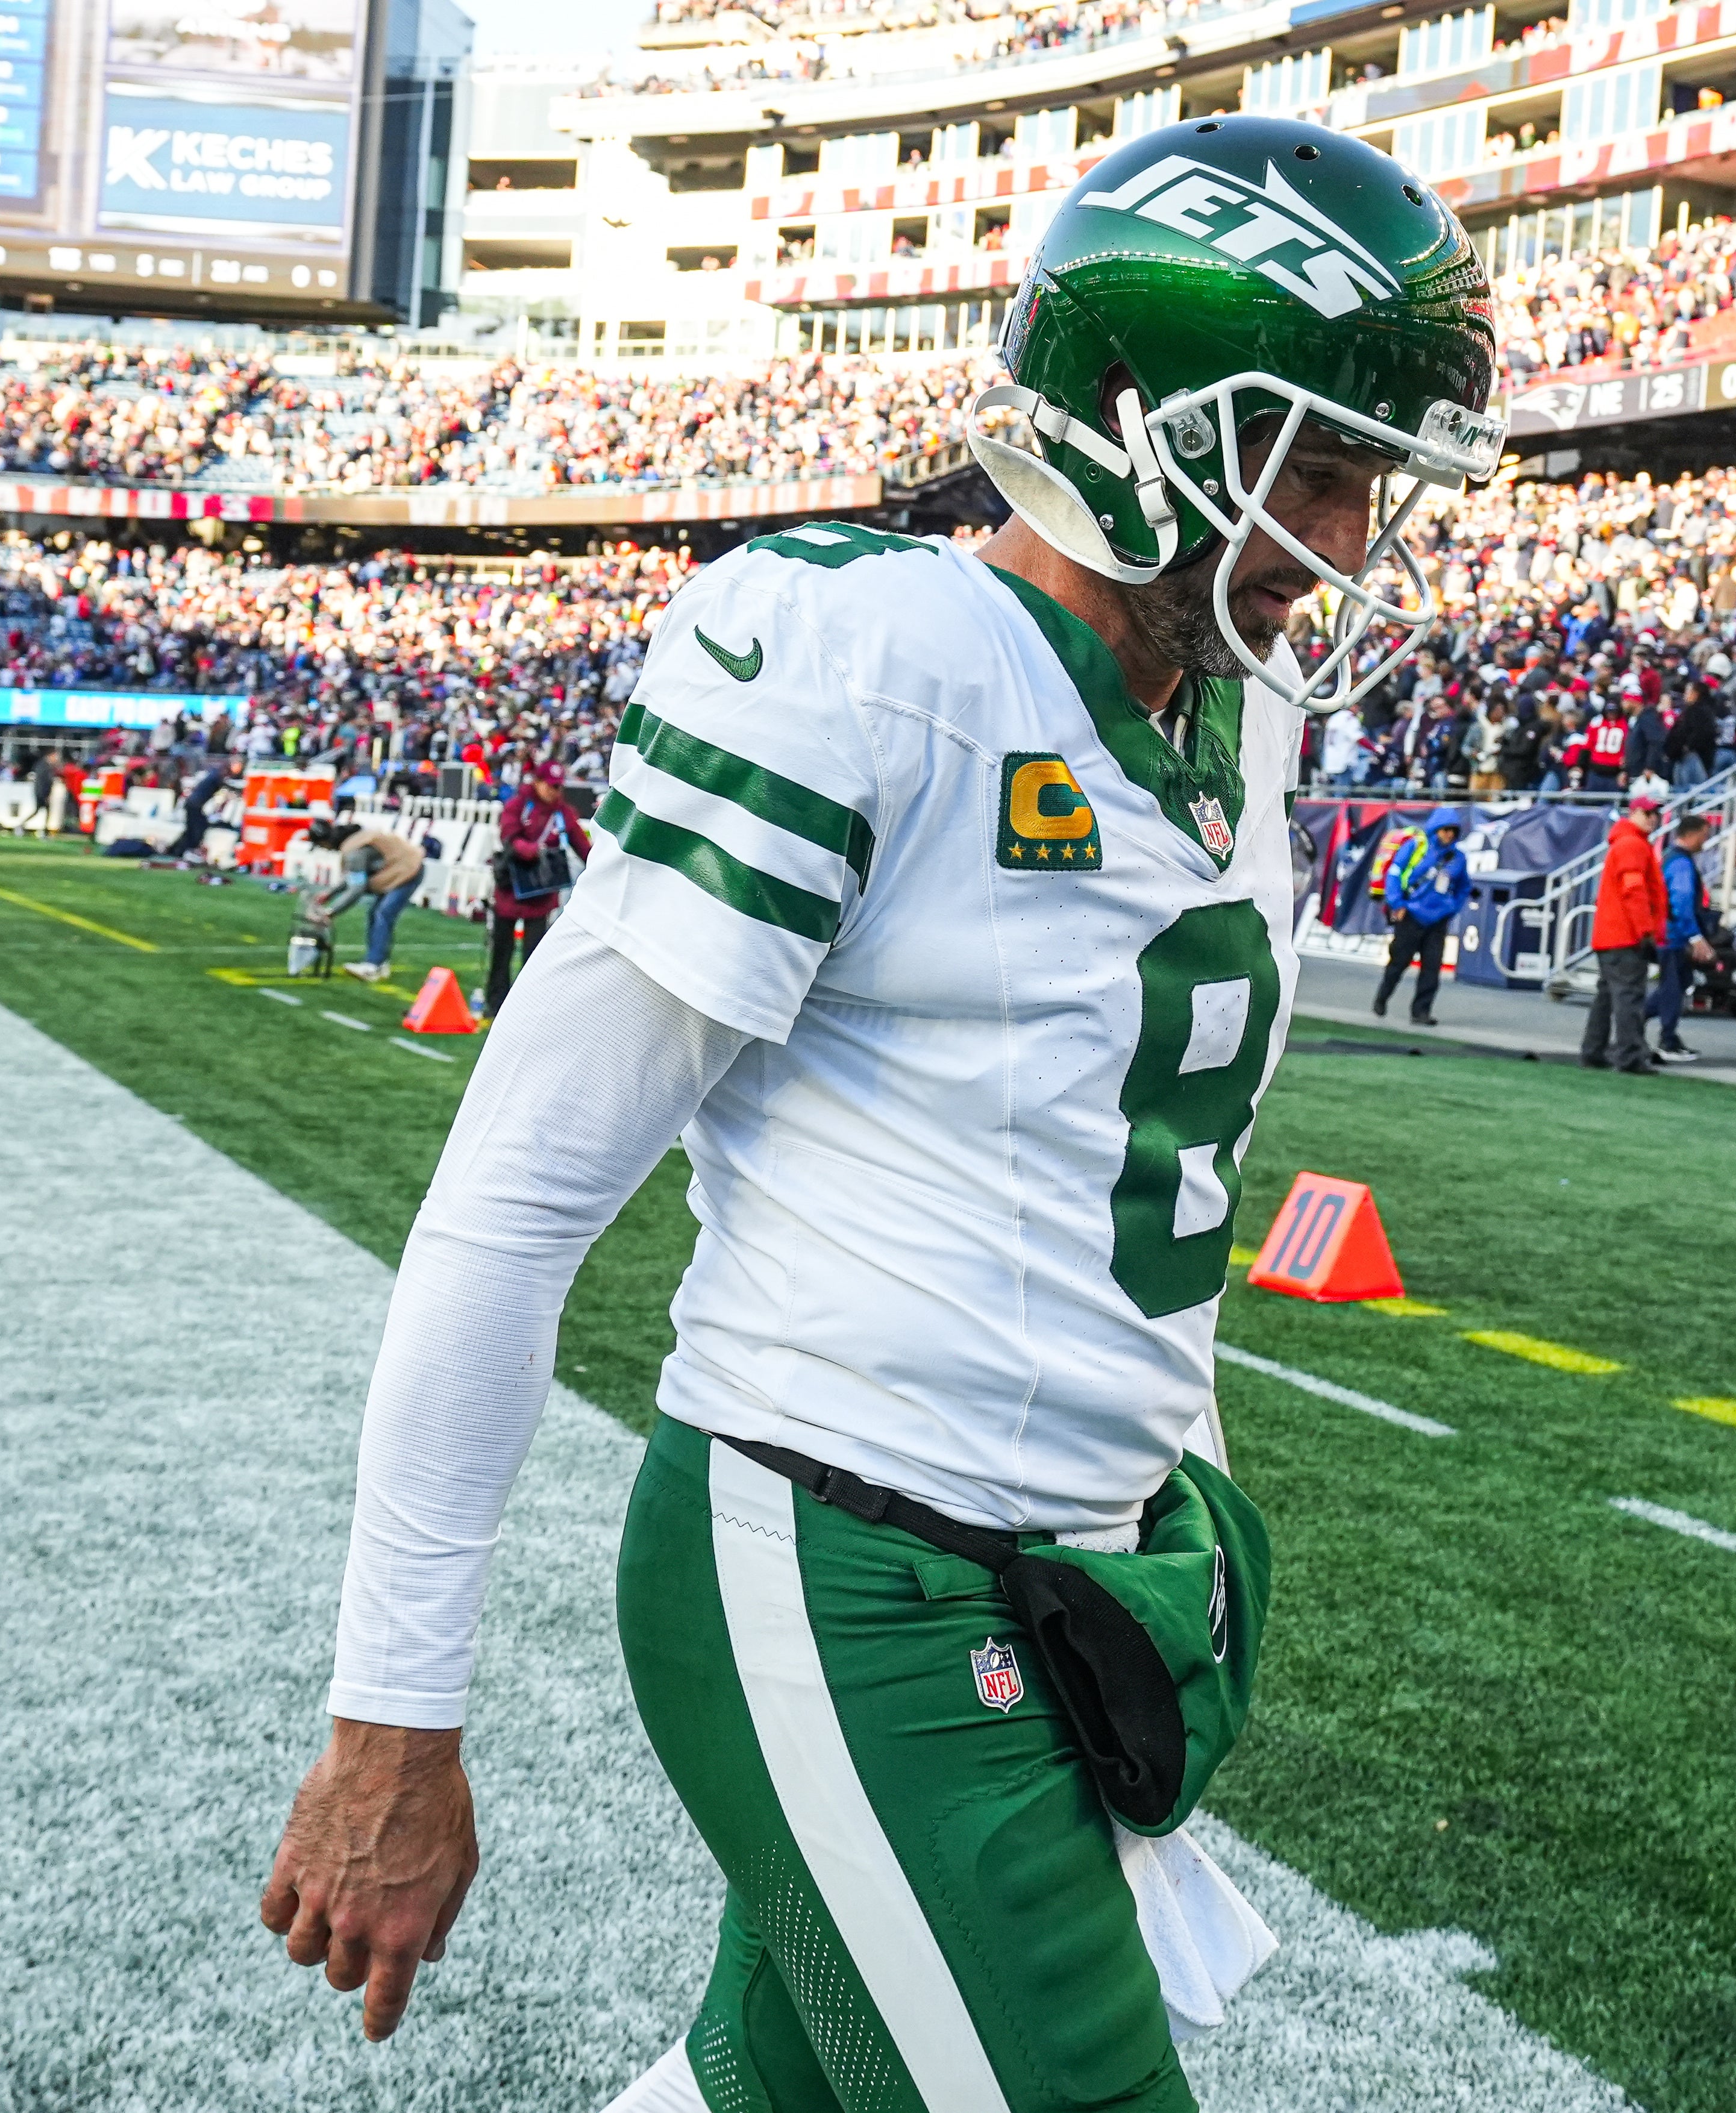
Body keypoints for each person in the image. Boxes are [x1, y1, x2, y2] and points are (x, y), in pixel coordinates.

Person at [256, 113, 1503, 2108]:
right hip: (844, 1562)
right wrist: (393, 1714)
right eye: (1324, 471)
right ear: (1136, 420)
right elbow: (512, 1200)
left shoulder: (1237, 713)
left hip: (1068, 1583)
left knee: (773, 2084)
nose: (1352, 544)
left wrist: (1165, 1520)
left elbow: (1111, 1206)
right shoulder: (869, 655)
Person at [481, 767, 591, 1013]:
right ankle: (495, 1003)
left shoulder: (564, 813)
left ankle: (526, 1007)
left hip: (541, 894)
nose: (556, 791)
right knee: (502, 951)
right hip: (511, 889)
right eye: (552, 785)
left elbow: (581, 845)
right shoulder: (519, 805)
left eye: (559, 786)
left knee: (533, 956)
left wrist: (597, 864)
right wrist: (530, 850)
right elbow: (509, 835)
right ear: (539, 783)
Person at [1582, 790, 1667, 1074]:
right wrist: (1645, 932)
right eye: (1649, 813)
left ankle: (1594, 1050)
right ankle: (1630, 1056)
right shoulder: (1633, 845)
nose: (1654, 819)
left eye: (1656, 814)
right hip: (1626, 936)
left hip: (1611, 935)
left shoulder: (1625, 842)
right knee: (1629, 997)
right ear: (1635, 813)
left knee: (1607, 996)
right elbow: (1635, 892)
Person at [1372, 811, 1470, 1027]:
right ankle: (1382, 997)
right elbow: (1395, 875)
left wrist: (1452, 908)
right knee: (1399, 962)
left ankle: (1421, 1012)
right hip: (1410, 916)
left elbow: (1464, 887)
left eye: (1453, 831)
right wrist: (1397, 904)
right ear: (1436, 830)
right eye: (1446, 830)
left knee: (1432, 968)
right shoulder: (1416, 848)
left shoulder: (1458, 859)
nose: (1449, 835)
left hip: (1438, 921)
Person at [308, 814, 429, 983]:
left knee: (383, 914)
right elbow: (356, 875)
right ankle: (380, 963)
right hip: (402, 867)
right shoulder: (355, 843)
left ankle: (373, 965)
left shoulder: (353, 852)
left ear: (325, 842)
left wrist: (331, 912)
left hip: (407, 871)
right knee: (376, 914)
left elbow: (356, 889)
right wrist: (331, 893)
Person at [1647, 810, 1722, 1062]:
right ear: (1692, 835)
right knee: (1672, 989)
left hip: (1668, 934)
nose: (1705, 841)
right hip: (1672, 937)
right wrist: (1695, 937)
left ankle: (1638, 1020)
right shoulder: (1681, 864)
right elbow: (1681, 901)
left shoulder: (1671, 859)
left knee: (1675, 986)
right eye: (1704, 835)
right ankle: (1666, 1039)